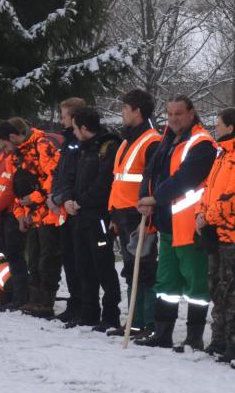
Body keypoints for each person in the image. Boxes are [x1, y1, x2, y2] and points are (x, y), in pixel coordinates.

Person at [136, 95, 217, 350]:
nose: (173, 119)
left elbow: (185, 179)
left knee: (195, 283)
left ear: (191, 113)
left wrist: (154, 198)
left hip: (190, 225)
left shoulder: (202, 143)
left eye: (178, 114)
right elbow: (151, 173)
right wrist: (145, 198)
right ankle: (163, 333)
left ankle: (194, 337)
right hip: (167, 222)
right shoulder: (167, 140)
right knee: (166, 282)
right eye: (170, 114)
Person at [197, 108, 235, 360]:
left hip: (231, 233)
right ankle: (218, 339)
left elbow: (232, 196)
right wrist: (200, 213)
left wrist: (207, 217)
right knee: (215, 288)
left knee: (231, 290)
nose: (215, 128)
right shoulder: (222, 153)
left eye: (219, 124)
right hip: (213, 231)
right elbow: (208, 189)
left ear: (230, 127)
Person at [107, 89, 162, 338]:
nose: (122, 112)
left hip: (139, 214)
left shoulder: (151, 141)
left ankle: (148, 322)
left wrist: (148, 221)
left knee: (145, 268)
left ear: (136, 111)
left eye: (125, 108)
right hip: (123, 213)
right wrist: (113, 214)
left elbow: (153, 182)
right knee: (131, 268)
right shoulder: (127, 141)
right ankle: (134, 321)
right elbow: (118, 179)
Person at [0, 119, 62, 318]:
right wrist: (21, 215)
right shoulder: (17, 155)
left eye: (4, 146)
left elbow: (53, 178)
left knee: (47, 259)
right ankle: (34, 299)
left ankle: (45, 302)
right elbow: (18, 188)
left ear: (12, 137)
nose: (5, 151)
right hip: (32, 215)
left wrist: (34, 198)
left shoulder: (42, 145)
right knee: (33, 259)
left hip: (49, 214)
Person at [64, 106, 122, 330]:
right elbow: (72, 177)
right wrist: (69, 200)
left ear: (84, 128)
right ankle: (88, 313)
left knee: (103, 267)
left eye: (75, 128)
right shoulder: (83, 149)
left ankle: (110, 315)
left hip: (98, 218)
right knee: (84, 267)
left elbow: (104, 184)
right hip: (80, 218)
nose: (73, 132)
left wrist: (80, 201)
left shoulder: (107, 147)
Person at [48, 98, 86, 322]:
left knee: (78, 261)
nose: (61, 121)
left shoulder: (80, 142)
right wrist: (53, 195)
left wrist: (62, 197)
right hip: (63, 206)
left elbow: (75, 176)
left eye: (64, 117)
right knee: (69, 259)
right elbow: (59, 172)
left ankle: (81, 304)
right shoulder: (68, 140)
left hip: (74, 208)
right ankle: (75, 302)